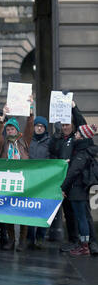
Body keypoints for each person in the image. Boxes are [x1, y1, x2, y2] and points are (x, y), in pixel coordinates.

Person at [49, 99, 98, 254]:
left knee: (84, 215)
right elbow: (53, 151)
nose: (65, 127)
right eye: (62, 125)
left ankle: (91, 243)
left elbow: (82, 125)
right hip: (66, 183)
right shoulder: (62, 140)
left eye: (67, 125)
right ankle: (75, 241)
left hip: (77, 183)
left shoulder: (82, 141)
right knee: (70, 214)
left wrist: (74, 107)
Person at [0, 100, 34, 252]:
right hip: (7, 181)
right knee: (9, 211)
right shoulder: (3, 143)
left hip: (23, 181)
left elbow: (30, 126)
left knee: (23, 211)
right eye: (8, 128)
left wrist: (30, 109)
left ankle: (22, 240)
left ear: (17, 130)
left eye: (12, 128)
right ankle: (11, 239)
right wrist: (3, 117)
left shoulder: (24, 142)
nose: (9, 130)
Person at [61, 124, 98, 256]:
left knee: (81, 218)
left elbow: (73, 172)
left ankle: (84, 247)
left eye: (77, 133)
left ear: (82, 137)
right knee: (81, 217)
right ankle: (84, 245)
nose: (75, 134)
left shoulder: (82, 154)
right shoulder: (83, 151)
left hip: (77, 190)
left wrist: (63, 188)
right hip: (79, 189)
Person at [27, 116, 51, 249]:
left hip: (45, 180)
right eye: (37, 125)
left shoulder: (50, 142)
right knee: (30, 209)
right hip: (31, 180)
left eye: (42, 126)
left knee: (43, 209)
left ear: (45, 128)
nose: (39, 127)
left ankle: (40, 237)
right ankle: (30, 237)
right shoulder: (28, 140)